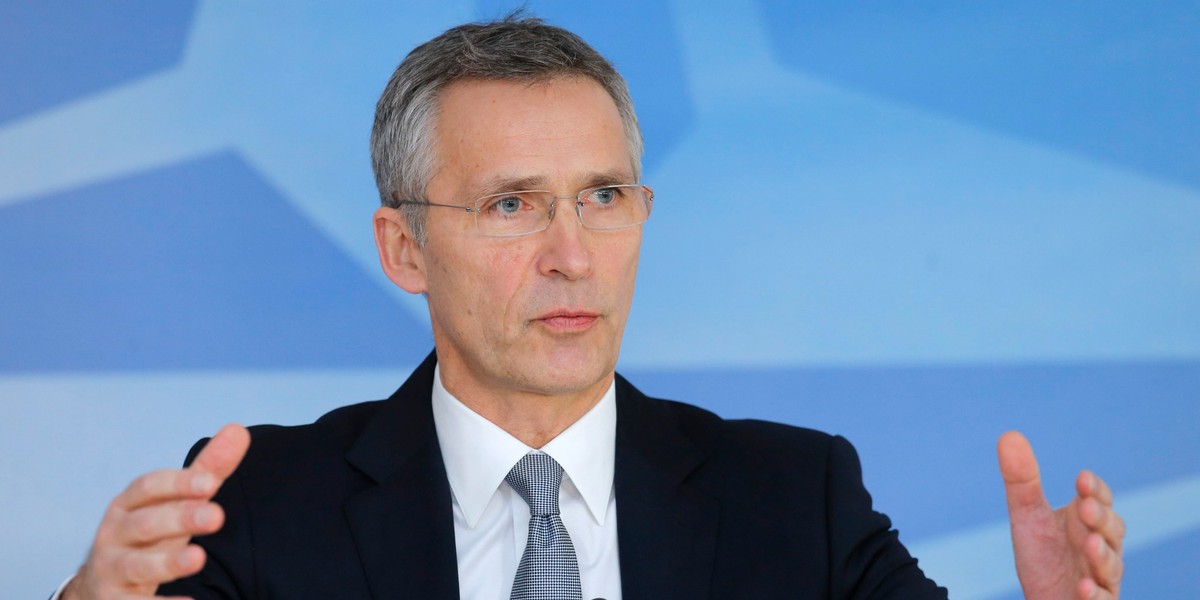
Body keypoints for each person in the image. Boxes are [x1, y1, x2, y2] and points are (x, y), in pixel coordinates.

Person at [58, 15, 1125, 600]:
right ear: (404, 248)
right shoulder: (260, 505)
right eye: (512, 205)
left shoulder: (796, 498)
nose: (573, 257)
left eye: (604, 197)